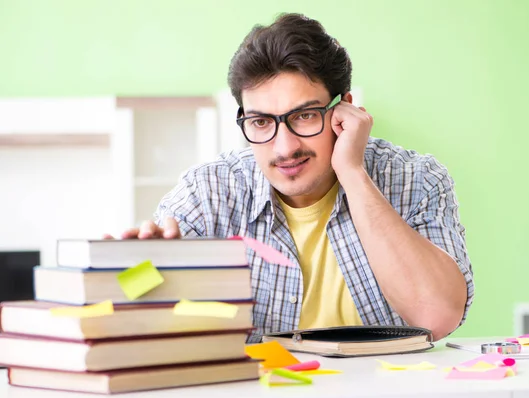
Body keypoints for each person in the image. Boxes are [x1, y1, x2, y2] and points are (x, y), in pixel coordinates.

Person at [110, 13, 474, 343]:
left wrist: (352, 172)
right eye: (261, 122)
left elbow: (435, 316)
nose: (284, 148)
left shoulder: (415, 180)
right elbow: (127, 308)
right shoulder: (208, 194)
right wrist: (142, 273)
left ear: (344, 108)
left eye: (304, 116)